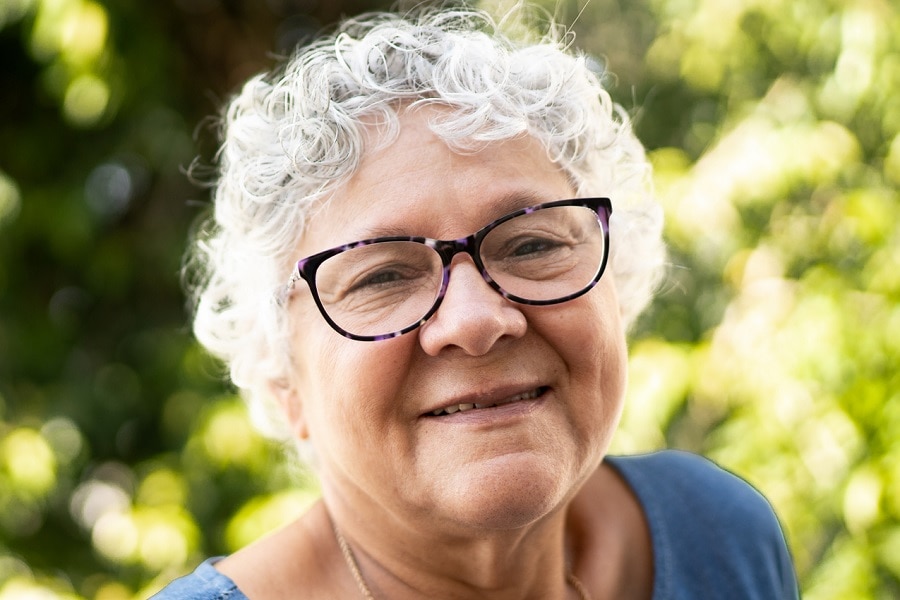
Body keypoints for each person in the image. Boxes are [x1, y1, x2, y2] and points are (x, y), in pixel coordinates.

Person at [153, 5, 798, 599]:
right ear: (281, 376)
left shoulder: (717, 536)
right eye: (381, 278)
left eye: (529, 245)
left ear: (616, 284)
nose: (476, 320)